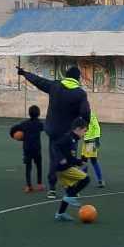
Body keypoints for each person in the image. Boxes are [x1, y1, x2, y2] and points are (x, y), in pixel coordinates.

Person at [18, 64, 91, 199]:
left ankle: (52, 188)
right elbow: (85, 112)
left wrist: (24, 73)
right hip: (70, 133)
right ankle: (70, 186)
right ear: (78, 78)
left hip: (53, 131)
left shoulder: (55, 86)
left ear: (66, 76)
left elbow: (39, 81)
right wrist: (84, 125)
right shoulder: (80, 93)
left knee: (54, 159)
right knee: (70, 159)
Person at [52, 117, 91, 222]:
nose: (84, 134)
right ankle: (70, 197)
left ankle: (60, 214)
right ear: (78, 129)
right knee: (86, 179)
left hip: (62, 169)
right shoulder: (68, 138)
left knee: (70, 191)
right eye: (84, 131)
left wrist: (79, 161)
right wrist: (61, 158)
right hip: (63, 168)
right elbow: (55, 145)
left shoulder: (74, 140)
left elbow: (70, 158)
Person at [10, 105, 46, 193]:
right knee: (39, 166)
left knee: (28, 167)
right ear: (39, 114)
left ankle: (29, 186)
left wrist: (14, 136)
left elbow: (13, 129)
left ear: (29, 114)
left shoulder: (24, 124)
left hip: (27, 149)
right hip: (37, 148)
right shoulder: (40, 124)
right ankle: (39, 184)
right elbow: (48, 128)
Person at [82, 111, 106, 188]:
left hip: (91, 141)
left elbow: (97, 127)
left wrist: (97, 139)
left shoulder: (90, 115)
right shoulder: (80, 113)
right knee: (85, 160)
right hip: (86, 141)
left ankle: (98, 180)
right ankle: (99, 180)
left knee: (91, 160)